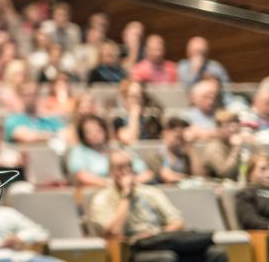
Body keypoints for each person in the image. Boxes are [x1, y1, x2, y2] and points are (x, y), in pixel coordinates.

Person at [88, 149, 226, 262]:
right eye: (120, 167)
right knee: (165, 259)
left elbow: (177, 222)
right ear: (111, 172)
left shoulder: (150, 192)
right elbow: (113, 233)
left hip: (158, 241)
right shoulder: (102, 199)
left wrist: (156, 234)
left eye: (129, 166)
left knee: (216, 253)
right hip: (130, 249)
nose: (126, 171)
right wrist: (126, 196)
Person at [67, 115, 153, 188]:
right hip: (97, 194)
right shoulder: (79, 151)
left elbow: (145, 172)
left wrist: (131, 182)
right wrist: (112, 184)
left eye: (98, 130)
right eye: (89, 131)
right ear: (83, 134)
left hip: (128, 189)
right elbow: (81, 176)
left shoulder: (118, 148)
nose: (95, 134)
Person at [197, 109, 254, 181]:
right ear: (218, 128)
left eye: (236, 126)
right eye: (228, 126)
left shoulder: (232, 143)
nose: (233, 130)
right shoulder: (214, 146)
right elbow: (225, 174)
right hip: (213, 189)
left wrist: (252, 144)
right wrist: (236, 148)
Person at [235, 152, 269, 229]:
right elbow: (249, 220)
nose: (268, 175)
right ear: (250, 173)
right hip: (261, 234)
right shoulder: (246, 194)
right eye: (263, 169)